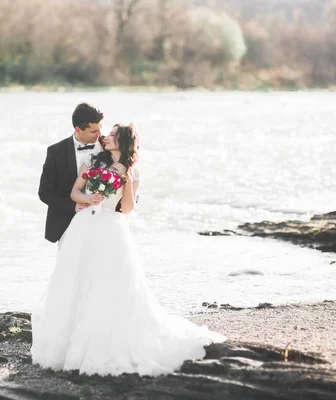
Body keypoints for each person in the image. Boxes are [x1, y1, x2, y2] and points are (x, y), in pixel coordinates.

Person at [31, 123, 226, 376]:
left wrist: (127, 179)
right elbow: (75, 192)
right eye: (108, 133)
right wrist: (89, 199)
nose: (106, 137)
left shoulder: (132, 172)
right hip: (83, 227)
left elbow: (128, 209)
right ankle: (69, 342)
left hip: (112, 229)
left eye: (112, 135)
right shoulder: (92, 163)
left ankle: (104, 339)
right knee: (75, 280)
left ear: (123, 143)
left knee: (111, 284)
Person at [38, 102, 104, 243]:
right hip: (68, 224)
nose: (99, 134)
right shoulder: (56, 152)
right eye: (93, 131)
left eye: (100, 129)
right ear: (78, 129)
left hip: (103, 221)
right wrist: (72, 207)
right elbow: (45, 192)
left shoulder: (109, 145)